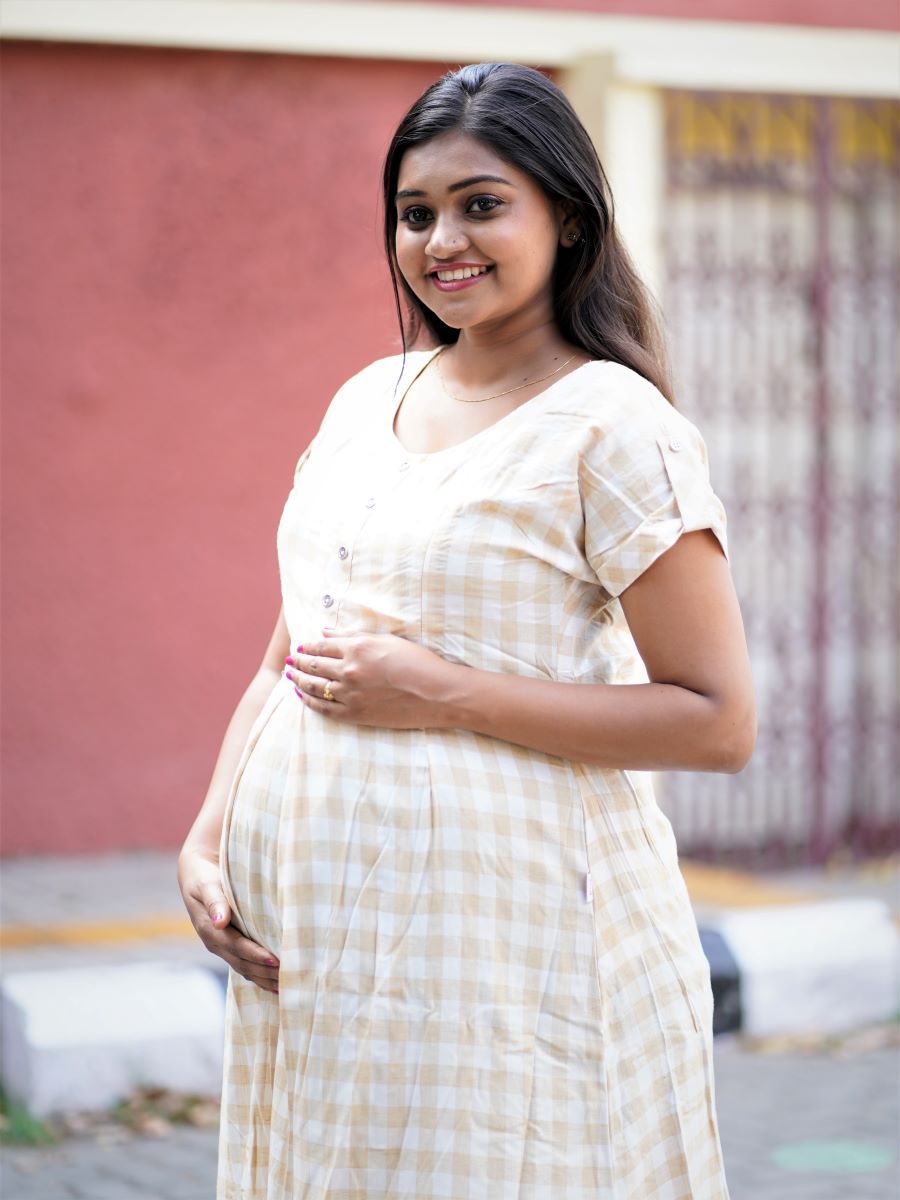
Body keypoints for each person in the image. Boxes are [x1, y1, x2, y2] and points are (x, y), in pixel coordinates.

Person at [178, 61, 755, 1200]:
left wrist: (435, 688)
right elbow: (289, 653)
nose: (444, 237)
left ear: (568, 216)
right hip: (330, 950)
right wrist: (208, 835)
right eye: (415, 211)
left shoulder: (611, 425)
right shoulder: (365, 401)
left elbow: (717, 721)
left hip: (508, 951)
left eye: (482, 203)